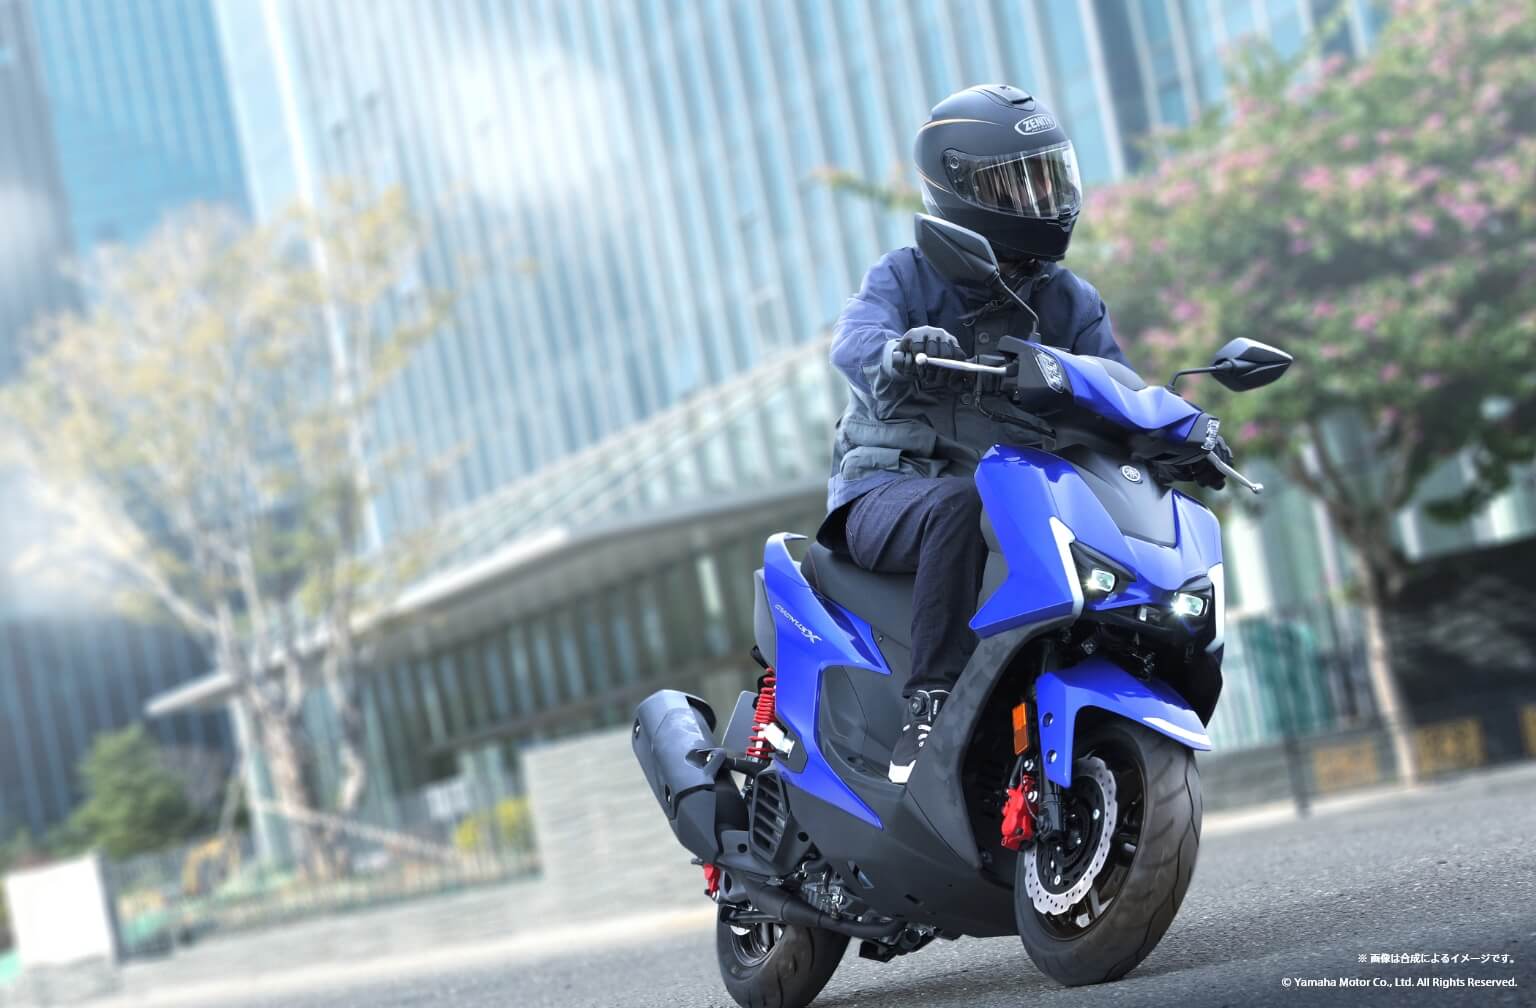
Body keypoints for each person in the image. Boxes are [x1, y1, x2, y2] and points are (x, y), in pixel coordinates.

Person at [818, 84, 1223, 784]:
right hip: (892, 489)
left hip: (1012, 494)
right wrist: (899, 352)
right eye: (1016, 183)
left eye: (1047, 177)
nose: (1042, 199)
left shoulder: (1069, 298)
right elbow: (853, 341)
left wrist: (1182, 433)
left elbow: (1118, 390)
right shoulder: (905, 275)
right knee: (957, 504)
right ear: (958, 189)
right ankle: (931, 703)